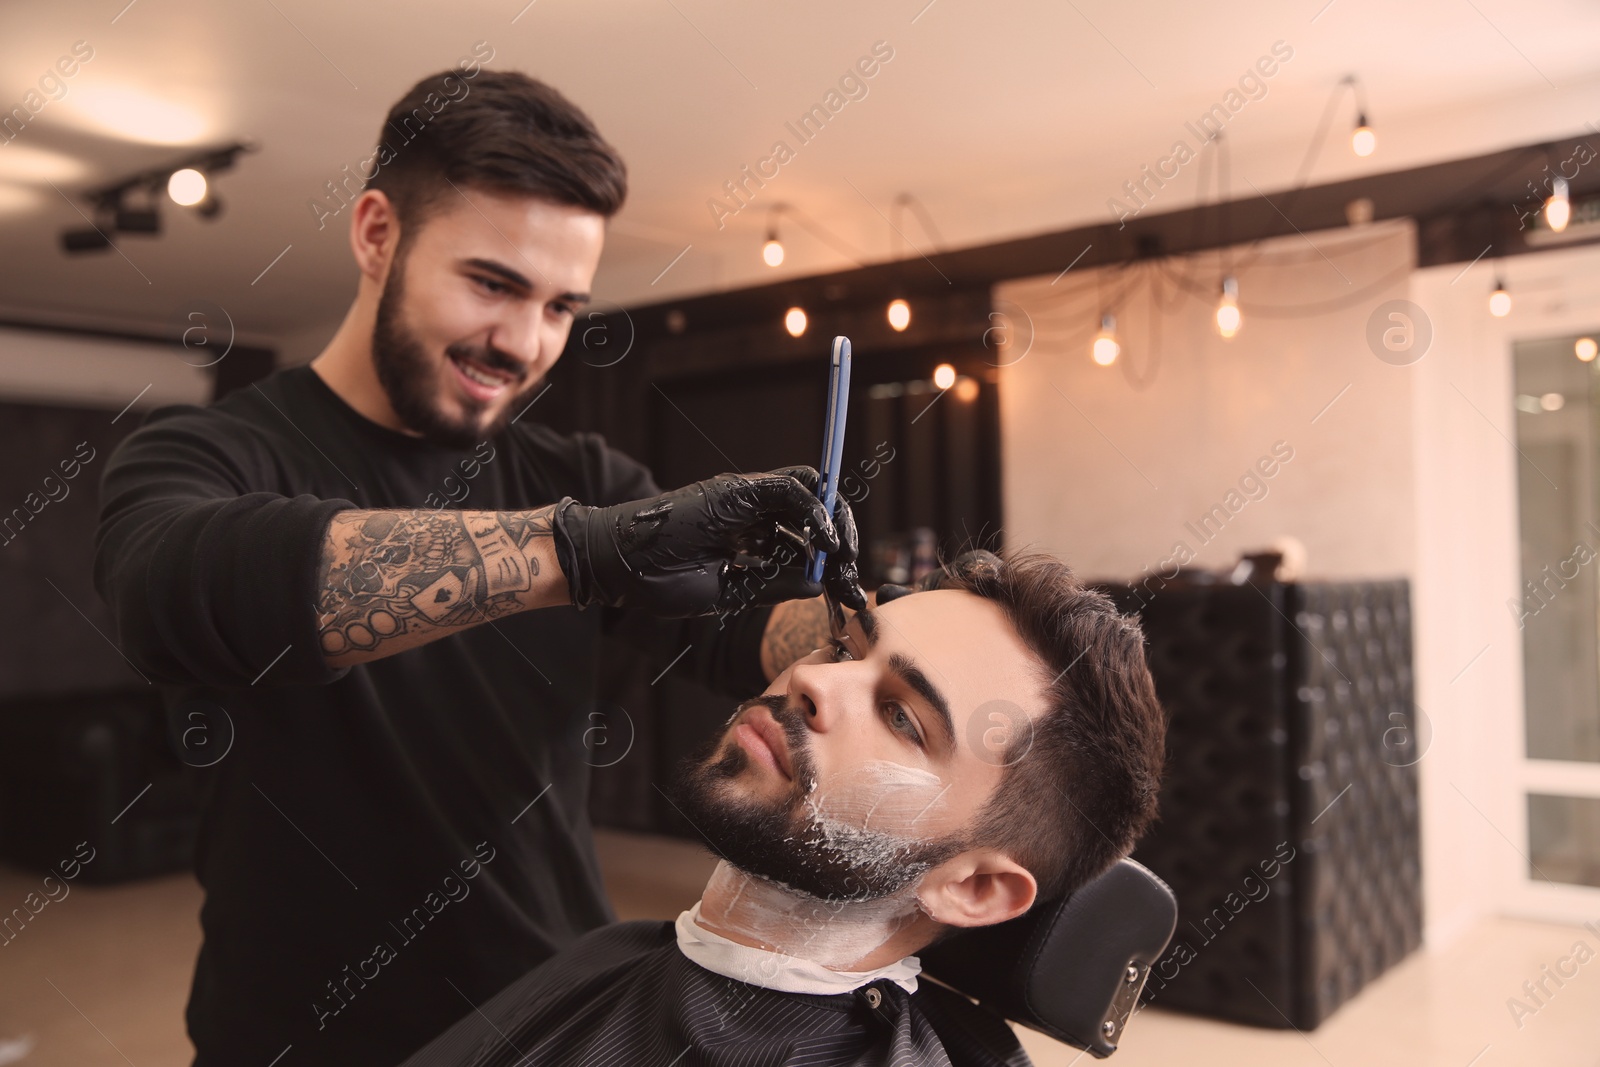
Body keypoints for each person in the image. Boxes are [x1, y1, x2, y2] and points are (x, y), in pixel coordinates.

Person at [93, 67, 864, 1065]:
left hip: (552, 1013)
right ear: (376, 233)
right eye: (492, 284)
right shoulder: (202, 452)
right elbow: (174, 593)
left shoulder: (582, 474)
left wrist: (906, 619)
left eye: (560, 306)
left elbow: (754, 636)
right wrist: (585, 549)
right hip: (298, 1032)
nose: (524, 343)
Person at [401, 551, 1168, 1067]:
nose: (813, 681)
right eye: (845, 648)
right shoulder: (615, 953)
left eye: (903, 717)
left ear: (972, 887)